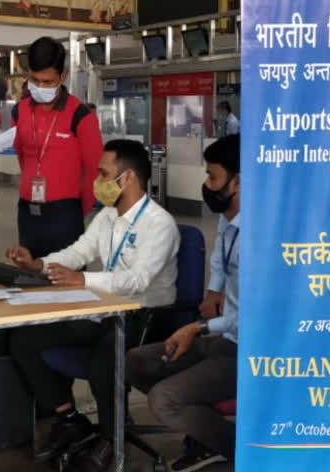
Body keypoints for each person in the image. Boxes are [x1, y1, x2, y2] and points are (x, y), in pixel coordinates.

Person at [6, 139, 180, 471]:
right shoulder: (106, 217)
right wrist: (39, 265)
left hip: (146, 317)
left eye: (103, 173)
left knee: (106, 358)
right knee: (25, 339)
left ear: (127, 178)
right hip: (105, 309)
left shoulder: (159, 224)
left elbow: (138, 281)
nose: (96, 180)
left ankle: (111, 441)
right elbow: (78, 253)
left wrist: (83, 280)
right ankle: (69, 418)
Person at [126, 134, 240, 470]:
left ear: (239, 181)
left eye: (213, 177)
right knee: (136, 362)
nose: (206, 184)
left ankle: (235, 449)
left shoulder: (263, 236)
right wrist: (215, 290)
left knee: (165, 399)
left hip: (249, 350)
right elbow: (220, 255)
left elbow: (255, 318)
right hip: (224, 336)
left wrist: (199, 326)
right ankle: (203, 433)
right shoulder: (230, 218)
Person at [12, 37, 103, 259]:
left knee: (65, 282)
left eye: (48, 82)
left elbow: (94, 171)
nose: (40, 87)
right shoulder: (19, 111)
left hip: (65, 215)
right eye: (35, 80)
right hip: (27, 212)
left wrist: (73, 213)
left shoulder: (80, 115)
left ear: (63, 77)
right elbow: (23, 157)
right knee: (30, 279)